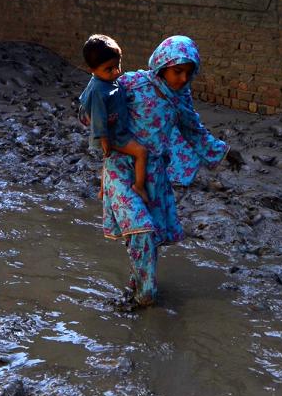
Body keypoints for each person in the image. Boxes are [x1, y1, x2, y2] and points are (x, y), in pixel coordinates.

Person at [81, 35, 241, 307]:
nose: (181, 79)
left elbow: (194, 131)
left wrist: (226, 151)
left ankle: (137, 283)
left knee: (149, 238)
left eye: (188, 74)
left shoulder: (180, 99)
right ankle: (146, 298)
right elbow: (94, 98)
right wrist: (97, 123)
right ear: (162, 65)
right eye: (177, 71)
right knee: (140, 229)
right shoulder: (131, 83)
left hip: (153, 173)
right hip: (120, 167)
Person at [77, 34, 148, 203]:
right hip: (111, 135)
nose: (116, 72)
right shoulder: (99, 90)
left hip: (112, 129)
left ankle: (103, 191)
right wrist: (104, 139)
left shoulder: (104, 81)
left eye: (117, 66)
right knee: (141, 152)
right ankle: (139, 186)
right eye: (109, 69)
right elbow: (99, 117)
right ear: (92, 70)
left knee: (108, 162)